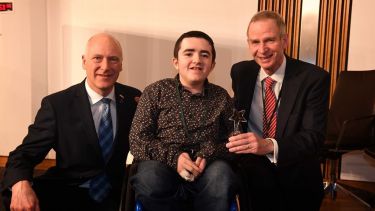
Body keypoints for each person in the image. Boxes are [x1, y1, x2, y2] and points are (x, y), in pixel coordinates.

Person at [1, 33, 141, 211]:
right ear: (84, 61)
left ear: (121, 64)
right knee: (12, 196)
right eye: (97, 58)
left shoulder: (134, 99)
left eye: (113, 59)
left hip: (118, 192)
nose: (105, 67)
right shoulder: (57, 104)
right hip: (70, 190)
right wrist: (20, 185)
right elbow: (24, 155)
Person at [226, 11, 330, 211]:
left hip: (294, 168)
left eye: (269, 40)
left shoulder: (314, 78)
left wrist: (267, 145)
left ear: (285, 41)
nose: (262, 49)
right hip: (253, 170)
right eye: (255, 42)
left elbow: (314, 138)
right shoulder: (241, 72)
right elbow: (236, 114)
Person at [129, 30, 238, 211]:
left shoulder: (222, 97)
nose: (197, 60)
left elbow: (235, 141)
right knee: (149, 179)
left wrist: (209, 153)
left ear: (212, 65)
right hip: (162, 164)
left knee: (222, 176)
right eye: (189, 53)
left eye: (204, 55)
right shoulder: (155, 91)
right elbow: (137, 139)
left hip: (208, 167)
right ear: (175, 62)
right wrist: (175, 158)